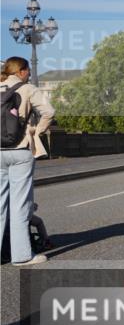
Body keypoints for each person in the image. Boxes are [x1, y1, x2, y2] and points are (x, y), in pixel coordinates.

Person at [1, 57, 55, 266]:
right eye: (28, 70)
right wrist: (36, 131)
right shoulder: (27, 88)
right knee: (20, 205)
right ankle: (22, 255)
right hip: (20, 150)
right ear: (21, 71)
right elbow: (49, 112)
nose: (30, 74)